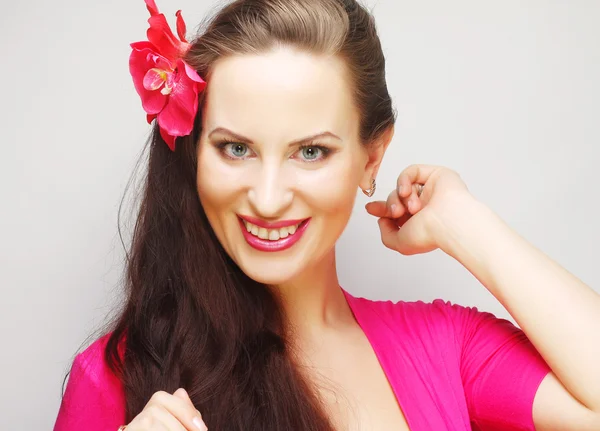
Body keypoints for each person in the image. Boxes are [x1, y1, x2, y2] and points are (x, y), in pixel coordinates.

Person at [53, 0, 600, 430]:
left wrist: (466, 223)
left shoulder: (440, 345)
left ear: (373, 156)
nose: (267, 199)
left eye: (310, 152)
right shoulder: (114, 379)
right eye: (235, 148)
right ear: (195, 151)